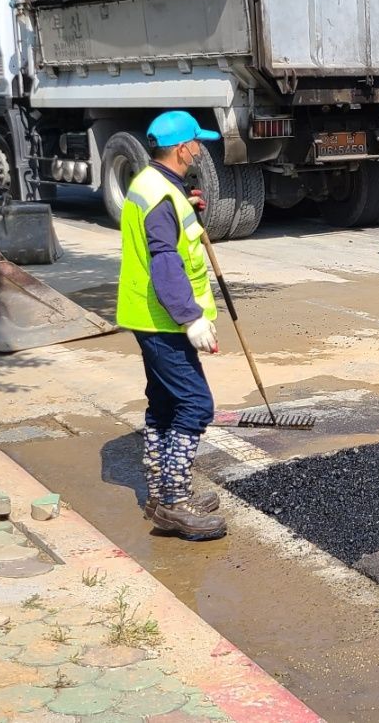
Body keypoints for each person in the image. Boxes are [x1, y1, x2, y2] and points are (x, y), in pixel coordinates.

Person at [115, 110, 228, 542]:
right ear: (182, 149)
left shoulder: (154, 185)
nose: (200, 148)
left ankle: (162, 495)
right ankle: (174, 505)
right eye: (196, 143)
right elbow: (165, 262)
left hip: (149, 317)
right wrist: (192, 318)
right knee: (195, 406)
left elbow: (166, 236)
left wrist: (189, 208)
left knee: (163, 405)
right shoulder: (162, 198)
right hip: (164, 320)